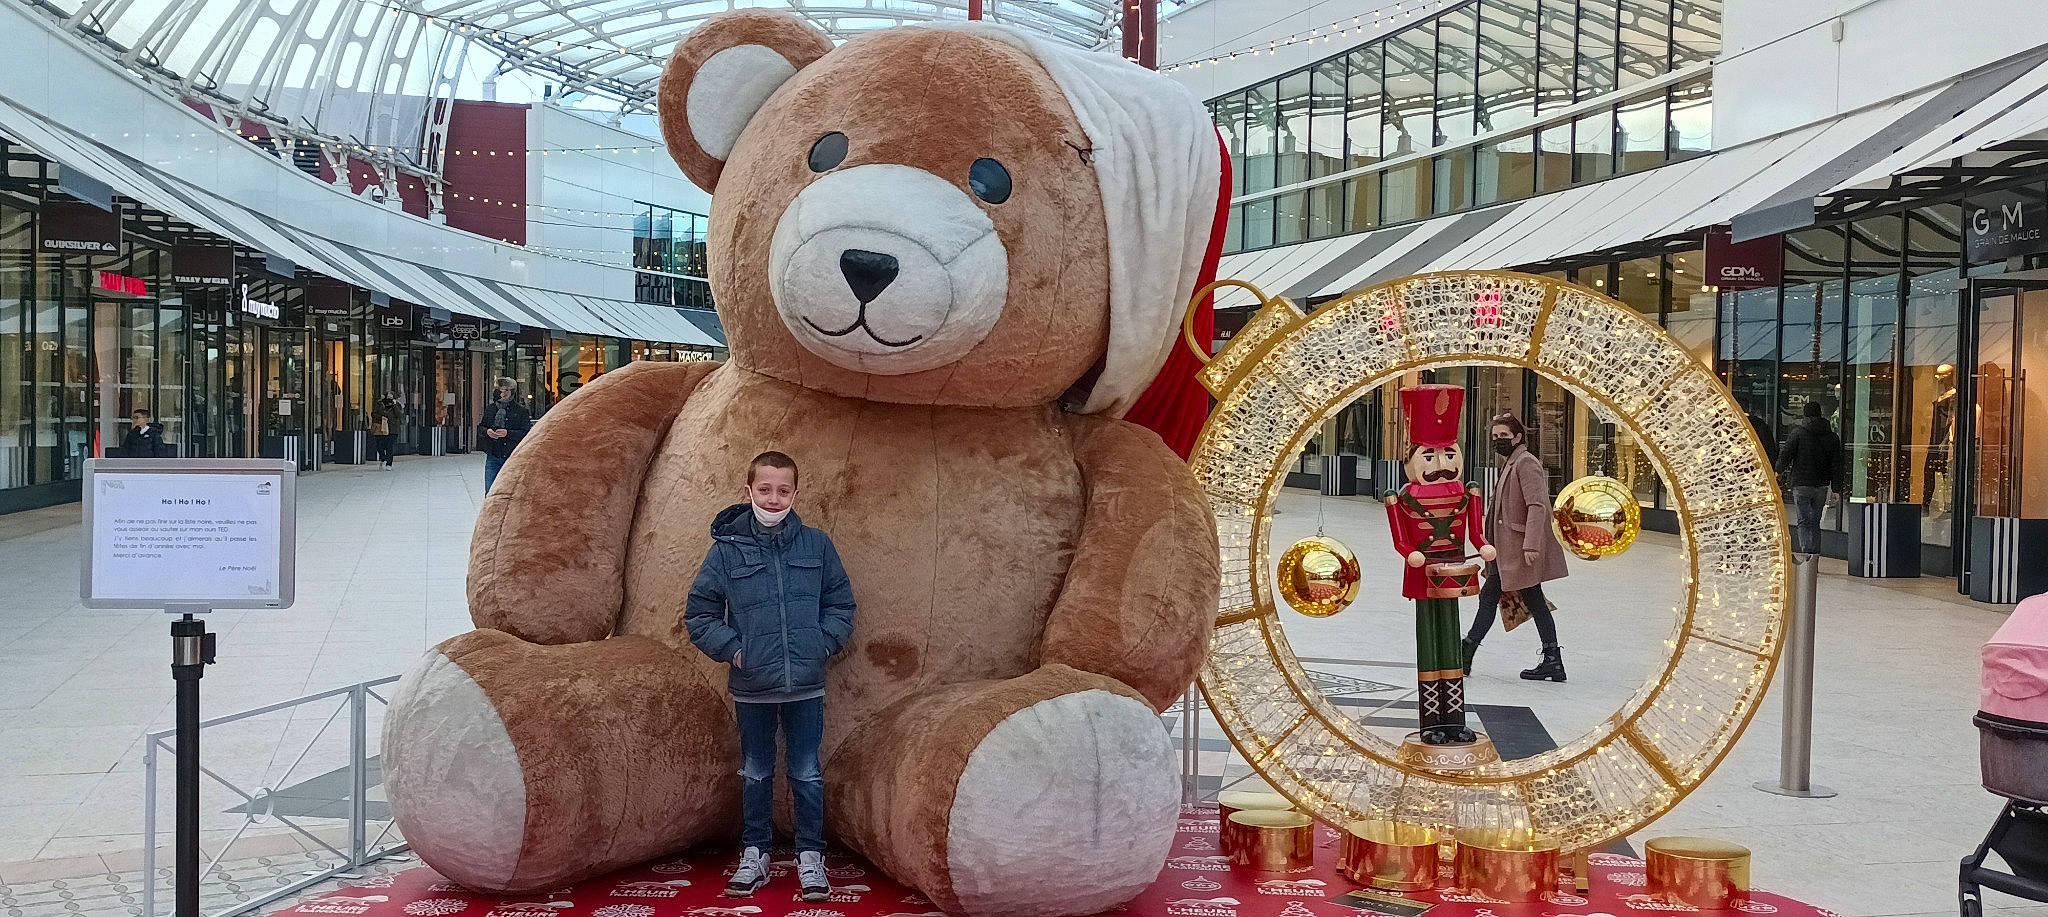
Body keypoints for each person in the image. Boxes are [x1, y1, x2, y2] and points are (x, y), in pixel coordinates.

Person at [683, 451, 856, 902]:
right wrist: (736, 652)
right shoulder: (726, 551)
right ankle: (755, 854)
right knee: (756, 771)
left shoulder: (816, 545)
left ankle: (811, 858)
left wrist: (822, 644)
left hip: (806, 686)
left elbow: (841, 605)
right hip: (752, 687)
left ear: (796, 494)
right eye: (765, 489)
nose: (773, 499)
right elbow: (700, 614)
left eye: (783, 491)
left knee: (806, 773)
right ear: (749, 491)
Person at [1463, 412, 1571, 682]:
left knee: (1492, 597)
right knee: (1532, 599)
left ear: (1518, 437)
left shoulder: (1526, 463)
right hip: (1507, 548)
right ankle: (1552, 659)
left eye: (1504, 436)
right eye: (1495, 436)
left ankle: (1466, 652)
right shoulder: (1512, 461)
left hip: (1518, 549)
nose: (1499, 441)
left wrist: (1531, 545)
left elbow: (1537, 505)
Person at [1778, 399, 1844, 555]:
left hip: (1801, 484)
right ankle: (1814, 556)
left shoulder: (1798, 433)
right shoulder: (1832, 437)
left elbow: (1786, 454)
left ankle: (1807, 554)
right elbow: (1837, 465)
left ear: (1806, 416)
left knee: (1803, 520)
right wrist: (1836, 489)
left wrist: (1778, 471)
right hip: (1821, 485)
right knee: (1815, 521)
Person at [478, 379, 532, 493]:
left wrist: (508, 433)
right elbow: (481, 427)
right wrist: (487, 432)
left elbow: (526, 433)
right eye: (501, 390)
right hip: (493, 455)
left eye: (507, 390)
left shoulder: (521, 411)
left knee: (510, 492)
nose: (503, 393)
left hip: (512, 456)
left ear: (512, 392)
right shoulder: (491, 409)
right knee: (490, 491)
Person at [372, 395, 403, 469]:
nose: (389, 399)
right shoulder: (379, 404)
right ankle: (383, 458)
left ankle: (389, 463)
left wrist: (394, 405)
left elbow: (399, 415)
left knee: (389, 447)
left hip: (392, 429)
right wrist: (382, 417)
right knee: (379, 445)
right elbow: (373, 414)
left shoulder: (396, 404)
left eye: (391, 397)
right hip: (380, 428)